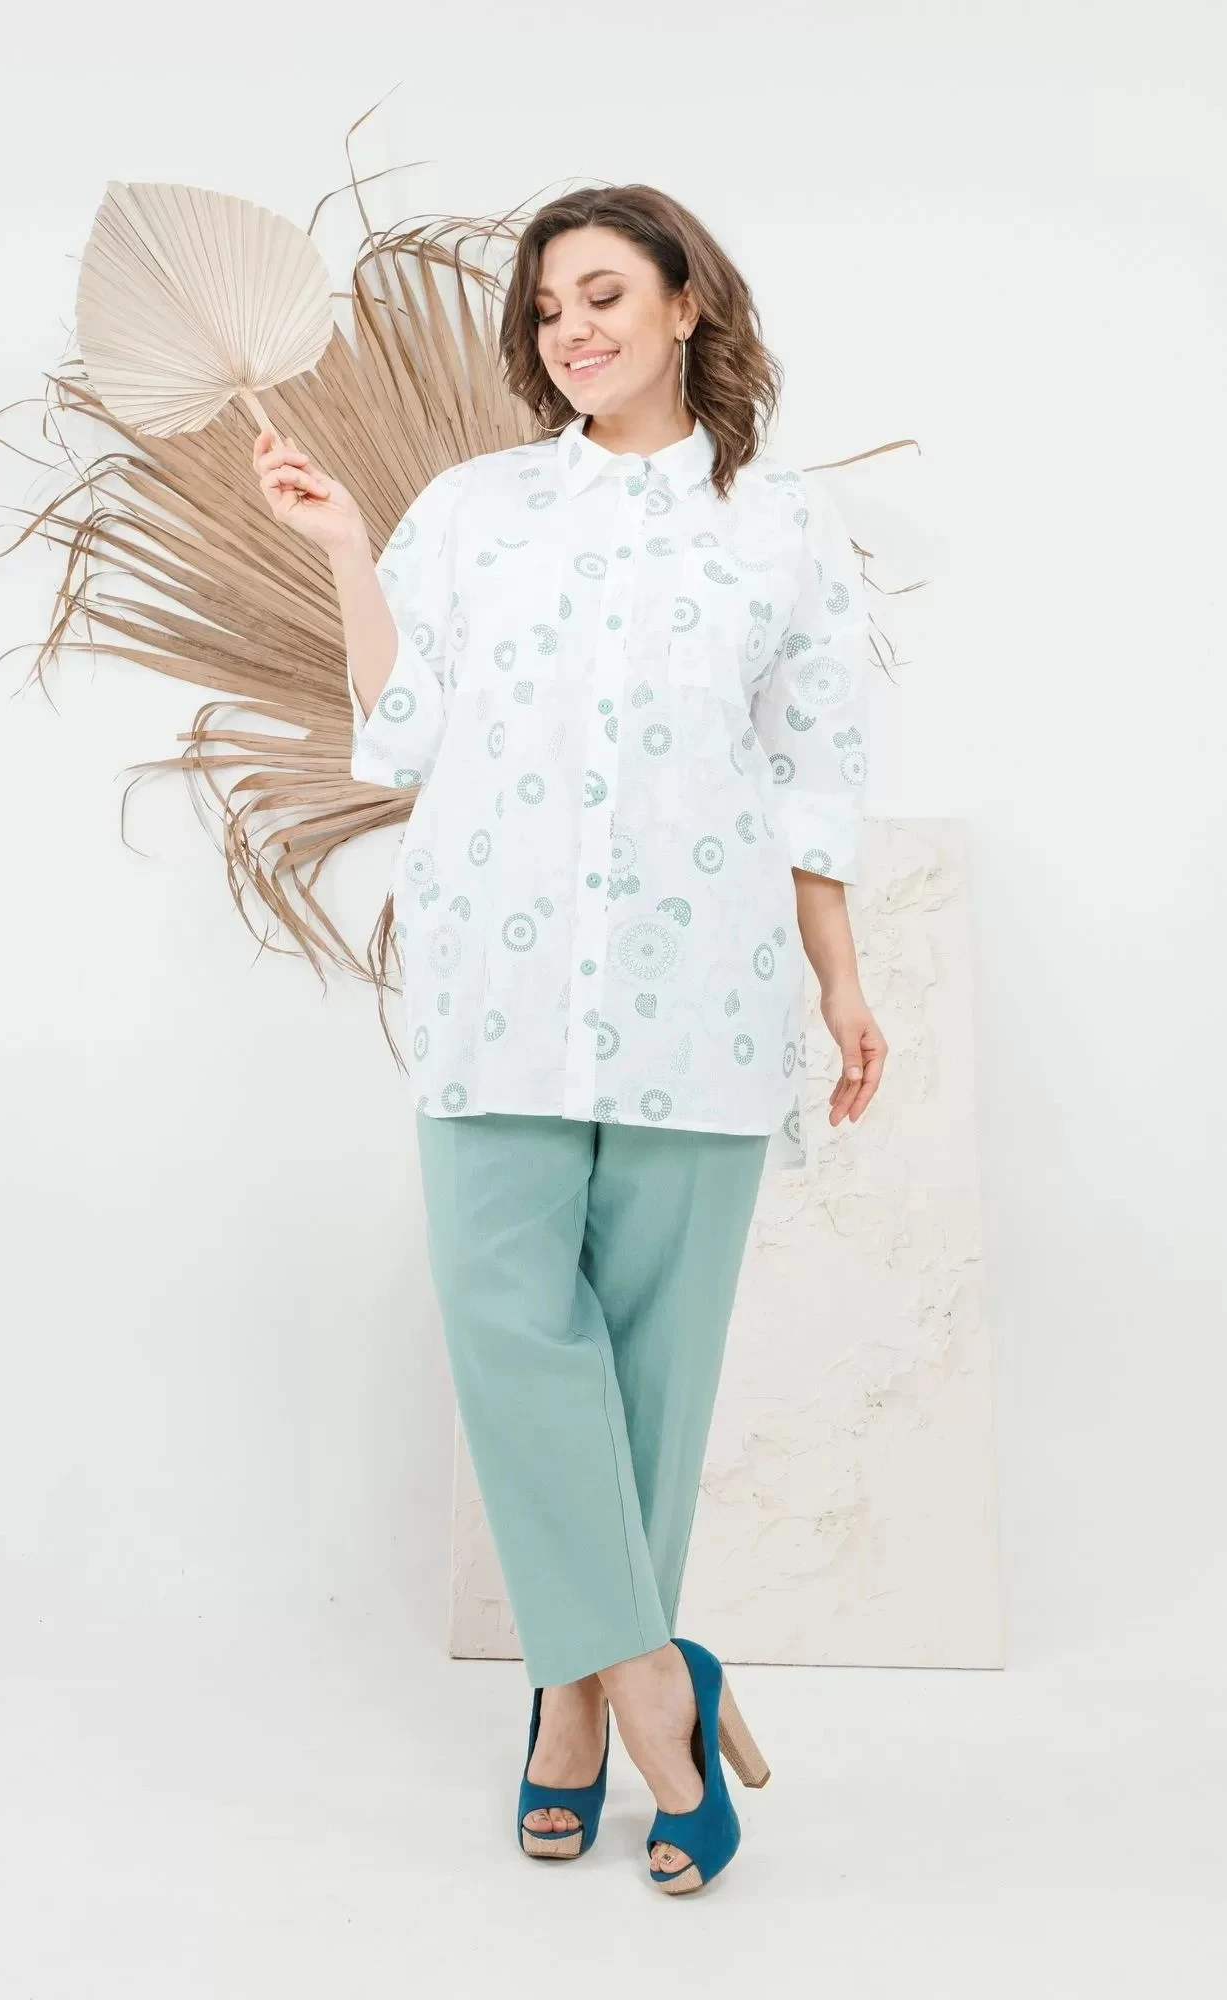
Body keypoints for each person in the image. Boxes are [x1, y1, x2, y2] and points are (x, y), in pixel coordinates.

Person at [253, 183, 888, 1896]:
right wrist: (345, 549)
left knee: (655, 1379)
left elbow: (813, 777)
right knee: (510, 1326)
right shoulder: (476, 510)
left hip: (708, 991)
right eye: (547, 309)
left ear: (688, 303)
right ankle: (657, 1686)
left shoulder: (785, 529)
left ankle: (569, 1701)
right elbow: (403, 732)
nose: (572, 330)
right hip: (497, 987)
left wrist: (840, 983)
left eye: (603, 294)